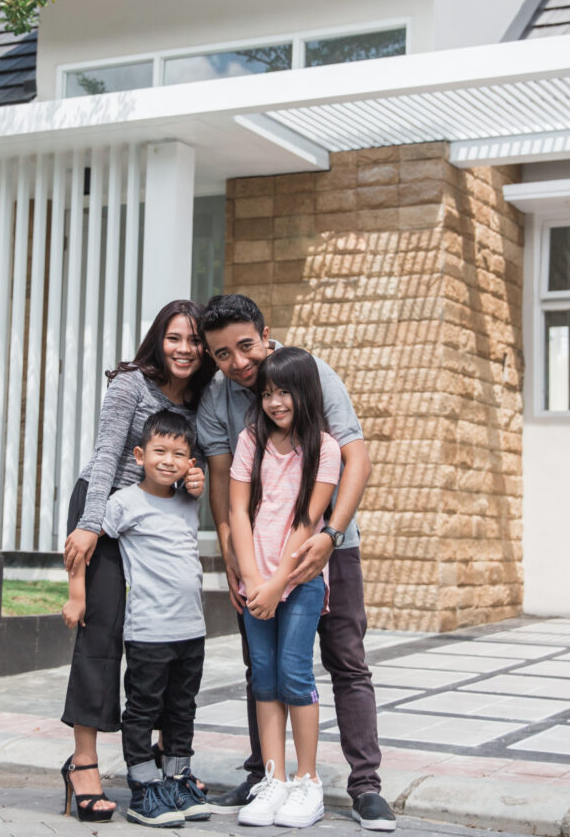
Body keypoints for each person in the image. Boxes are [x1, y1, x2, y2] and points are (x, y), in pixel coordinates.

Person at [196, 294, 396, 831]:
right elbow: (224, 483)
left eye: (245, 346)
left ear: (265, 334)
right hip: (255, 552)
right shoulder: (218, 400)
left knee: (345, 660)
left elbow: (355, 455)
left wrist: (330, 535)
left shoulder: (310, 373)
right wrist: (233, 558)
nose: (237, 363)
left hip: (328, 544)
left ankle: (365, 785)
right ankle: (267, 772)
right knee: (262, 664)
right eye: (221, 354)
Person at [58, 300, 216, 823]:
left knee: (159, 646)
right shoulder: (129, 384)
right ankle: (83, 766)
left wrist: (197, 483)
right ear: (158, 339)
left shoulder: (201, 397)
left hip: (157, 518)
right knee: (101, 637)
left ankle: (162, 771)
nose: (185, 349)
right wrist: (87, 522)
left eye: (194, 340)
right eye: (175, 338)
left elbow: (192, 462)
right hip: (105, 509)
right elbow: (107, 455)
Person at [228, 348, 340, 828]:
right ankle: (272, 780)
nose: (275, 402)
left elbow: (307, 519)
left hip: (299, 582)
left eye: (284, 392)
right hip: (255, 582)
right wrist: (253, 579)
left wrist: (277, 583)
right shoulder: (251, 441)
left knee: (296, 676)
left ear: (305, 392)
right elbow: (237, 512)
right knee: (265, 679)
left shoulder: (326, 449)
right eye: (268, 393)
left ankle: (307, 782)